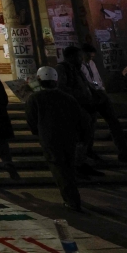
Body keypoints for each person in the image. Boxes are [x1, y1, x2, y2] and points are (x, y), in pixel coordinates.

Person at [26, 67, 92, 212]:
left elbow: (31, 120)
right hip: (69, 137)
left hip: (49, 138)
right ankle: (73, 197)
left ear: (39, 80)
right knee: (68, 167)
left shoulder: (35, 98)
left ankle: (72, 201)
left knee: (59, 169)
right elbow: (81, 119)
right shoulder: (68, 97)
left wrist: (38, 132)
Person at [59, 46, 127, 165]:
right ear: (71, 57)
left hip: (93, 99)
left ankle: (123, 152)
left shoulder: (79, 68)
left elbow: (87, 83)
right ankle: (86, 154)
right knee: (88, 128)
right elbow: (64, 87)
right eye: (79, 56)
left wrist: (96, 93)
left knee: (111, 123)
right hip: (83, 102)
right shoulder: (64, 69)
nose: (82, 59)